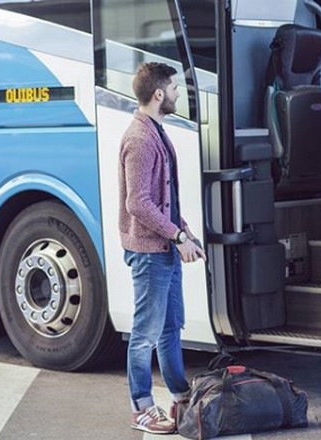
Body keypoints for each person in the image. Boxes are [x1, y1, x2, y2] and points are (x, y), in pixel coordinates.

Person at [118, 62, 206, 435]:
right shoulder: (139, 139)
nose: (176, 93)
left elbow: (163, 197)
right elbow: (137, 203)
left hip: (166, 247)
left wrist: (185, 233)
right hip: (150, 252)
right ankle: (141, 407)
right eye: (173, 88)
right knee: (145, 333)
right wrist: (177, 237)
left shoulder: (156, 131)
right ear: (158, 95)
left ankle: (179, 393)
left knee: (171, 327)